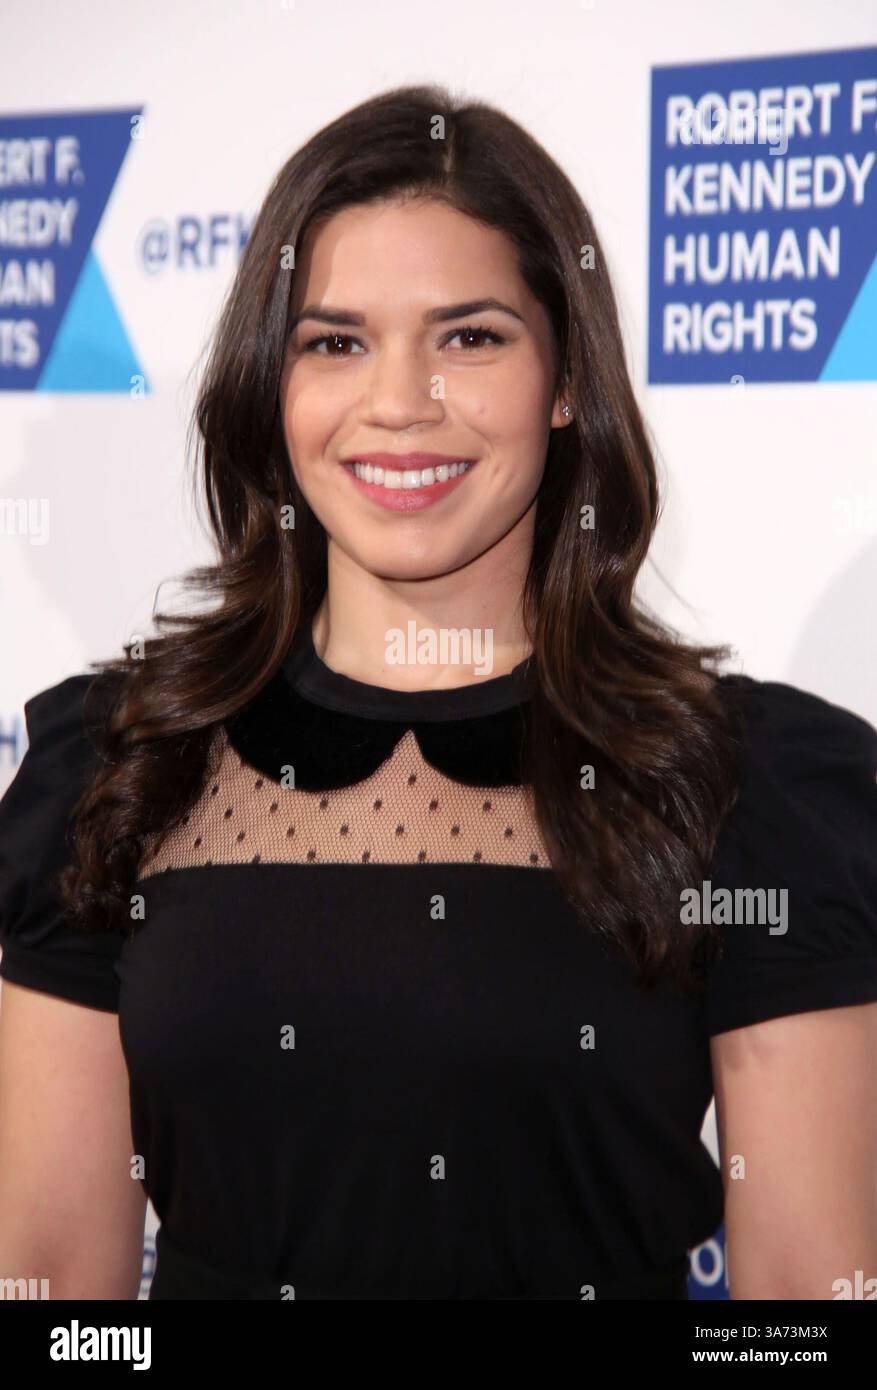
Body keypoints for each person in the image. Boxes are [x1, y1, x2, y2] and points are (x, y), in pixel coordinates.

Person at [1, 84, 875, 1302]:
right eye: (334, 342)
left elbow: (801, 1302)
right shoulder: (118, 763)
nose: (400, 403)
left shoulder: (745, 780)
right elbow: (53, 1286)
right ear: (271, 385)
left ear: (564, 381)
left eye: (469, 337)